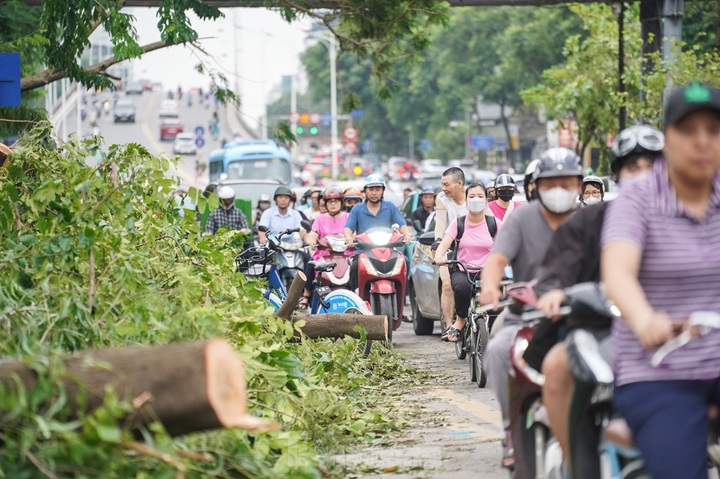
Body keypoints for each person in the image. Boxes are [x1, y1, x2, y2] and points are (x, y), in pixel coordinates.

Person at [526, 124, 664, 473]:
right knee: (557, 366)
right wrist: (555, 291)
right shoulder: (591, 220)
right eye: (633, 168)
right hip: (597, 328)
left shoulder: (689, 217)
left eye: (652, 167)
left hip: (675, 333)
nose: (643, 176)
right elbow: (559, 266)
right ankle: (578, 465)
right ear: (618, 175)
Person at [602, 82, 720, 479]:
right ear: (667, 139)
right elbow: (618, 272)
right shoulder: (637, 198)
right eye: (688, 130)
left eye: (714, 130)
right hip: (659, 370)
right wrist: (644, 319)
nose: (702, 142)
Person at [479, 147, 583, 469]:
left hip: (580, 317)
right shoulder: (523, 217)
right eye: (552, 183)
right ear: (537, 185)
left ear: (578, 184)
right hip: (525, 316)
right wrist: (490, 287)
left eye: (567, 182)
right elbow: (497, 259)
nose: (560, 189)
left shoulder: (588, 218)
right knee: (496, 349)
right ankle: (510, 428)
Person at [434, 183, 500, 342]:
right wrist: (439, 257)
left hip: (487, 272)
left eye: (480, 196)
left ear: (486, 200)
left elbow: (510, 243)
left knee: (497, 299)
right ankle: (460, 320)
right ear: (466, 199)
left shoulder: (494, 223)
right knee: (462, 289)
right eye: (471, 196)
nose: (475, 200)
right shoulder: (459, 223)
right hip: (462, 270)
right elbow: (443, 246)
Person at [344, 174, 413, 290]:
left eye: (378, 189)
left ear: (382, 191)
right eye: (371, 189)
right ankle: (357, 294)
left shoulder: (390, 207)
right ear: (365, 191)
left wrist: (406, 234)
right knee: (355, 266)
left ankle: (403, 293)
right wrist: (348, 237)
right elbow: (348, 228)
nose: (374, 193)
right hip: (364, 251)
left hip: (388, 251)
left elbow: (402, 224)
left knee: (405, 261)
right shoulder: (357, 209)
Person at [298, 186, 350, 310]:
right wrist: (311, 240)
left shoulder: (348, 217)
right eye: (330, 202)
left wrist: (353, 239)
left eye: (336, 201)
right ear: (325, 204)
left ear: (341, 202)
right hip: (324, 255)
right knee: (311, 263)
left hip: (346, 255)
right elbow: (313, 233)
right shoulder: (320, 219)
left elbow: (353, 233)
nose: (333, 204)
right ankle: (306, 294)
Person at [434, 167, 467, 331]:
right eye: (442, 184)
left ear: (459, 183)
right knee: (447, 285)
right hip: (448, 246)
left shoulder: (474, 196)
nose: (443, 188)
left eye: (446, 184)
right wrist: (438, 241)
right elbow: (440, 224)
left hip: (471, 248)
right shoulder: (441, 198)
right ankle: (448, 327)